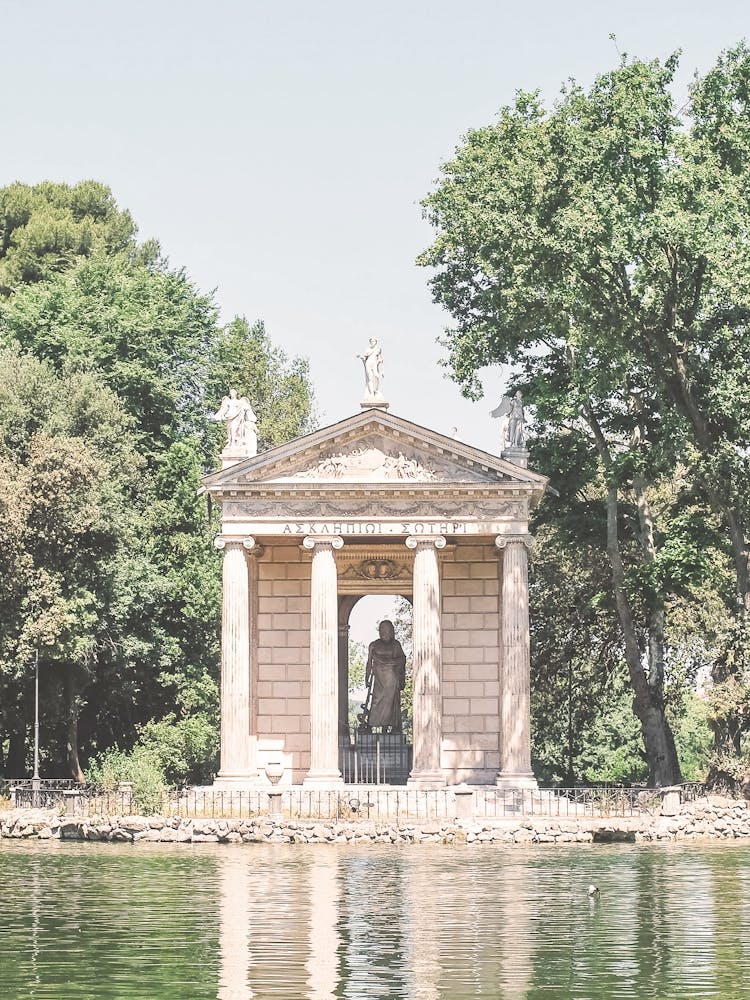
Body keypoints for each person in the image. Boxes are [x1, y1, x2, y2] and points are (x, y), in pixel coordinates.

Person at [363, 619, 406, 733]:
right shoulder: (374, 645)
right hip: (379, 679)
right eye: (382, 630)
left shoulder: (395, 644)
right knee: (376, 700)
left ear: (391, 631)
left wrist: (391, 663)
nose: (384, 633)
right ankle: (370, 724)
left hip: (392, 679)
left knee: (390, 703)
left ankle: (387, 726)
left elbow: (402, 659)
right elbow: (369, 662)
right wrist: (366, 677)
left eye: (387, 631)